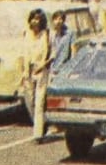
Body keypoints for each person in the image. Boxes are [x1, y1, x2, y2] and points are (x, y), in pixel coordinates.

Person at [22, 8, 51, 142]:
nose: (35, 21)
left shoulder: (45, 35)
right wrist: (25, 71)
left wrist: (42, 65)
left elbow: (46, 52)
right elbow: (25, 53)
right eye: (33, 18)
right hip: (29, 70)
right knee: (30, 101)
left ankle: (38, 134)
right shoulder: (27, 34)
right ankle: (41, 124)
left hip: (41, 70)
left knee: (39, 102)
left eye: (38, 19)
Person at [49, 10, 75, 76]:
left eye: (60, 19)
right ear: (52, 20)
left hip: (63, 67)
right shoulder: (49, 33)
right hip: (51, 68)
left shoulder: (69, 33)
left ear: (63, 21)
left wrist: (71, 67)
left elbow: (73, 50)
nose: (58, 21)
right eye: (56, 19)